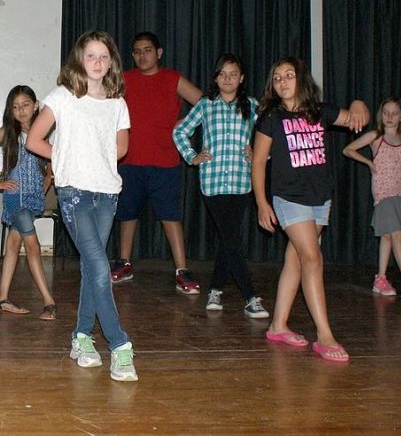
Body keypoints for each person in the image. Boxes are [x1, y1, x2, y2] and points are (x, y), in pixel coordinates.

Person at [27, 30, 137, 382]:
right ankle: (120, 345)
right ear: (80, 59)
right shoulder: (62, 96)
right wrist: (65, 159)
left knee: (94, 269)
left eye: (104, 56)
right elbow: (34, 140)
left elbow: (121, 149)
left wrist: (93, 154)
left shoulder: (117, 102)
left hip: (106, 192)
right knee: (99, 264)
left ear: (111, 62)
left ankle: (80, 338)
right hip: (73, 191)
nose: (97, 62)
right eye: (91, 55)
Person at [252, 56, 368, 363]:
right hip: (289, 198)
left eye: (289, 76)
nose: (283, 82)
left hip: (320, 197)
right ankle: (325, 335)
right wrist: (262, 203)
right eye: (277, 78)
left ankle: (278, 325)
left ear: (302, 79)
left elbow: (359, 118)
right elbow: (258, 163)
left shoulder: (320, 112)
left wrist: (358, 103)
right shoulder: (271, 118)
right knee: (313, 259)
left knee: (296, 259)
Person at [172, 54, 269, 318]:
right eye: (223, 74)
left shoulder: (251, 105)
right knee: (231, 239)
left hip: (241, 182)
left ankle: (215, 290)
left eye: (233, 74)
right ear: (216, 78)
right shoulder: (206, 104)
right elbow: (179, 131)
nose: (228, 79)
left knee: (229, 241)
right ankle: (250, 296)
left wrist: (260, 154)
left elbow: (269, 135)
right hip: (213, 182)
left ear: (242, 78)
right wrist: (192, 156)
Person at [110, 32, 203, 294]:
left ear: (158, 53)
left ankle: (181, 269)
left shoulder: (172, 78)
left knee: (170, 216)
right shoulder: (124, 80)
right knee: (127, 213)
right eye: (137, 51)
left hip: (165, 161)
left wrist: (183, 125)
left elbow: (205, 105)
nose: (142, 56)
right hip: (130, 158)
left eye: (147, 50)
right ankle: (124, 263)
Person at [0, 84, 57, 320]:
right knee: (32, 246)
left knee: (12, 245)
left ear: (35, 105)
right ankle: (49, 301)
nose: (20, 111)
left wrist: (48, 177)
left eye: (25, 105)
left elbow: (51, 157)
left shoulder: (40, 133)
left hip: (32, 198)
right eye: (15, 106)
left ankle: (2, 299)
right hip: (15, 198)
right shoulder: (8, 132)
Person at [343, 97, 401, 303]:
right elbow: (348, 149)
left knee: (386, 236)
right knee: (397, 236)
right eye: (386, 113)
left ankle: (381, 279)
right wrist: (369, 162)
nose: (390, 117)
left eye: (394, 113)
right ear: (380, 115)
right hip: (384, 193)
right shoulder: (376, 136)